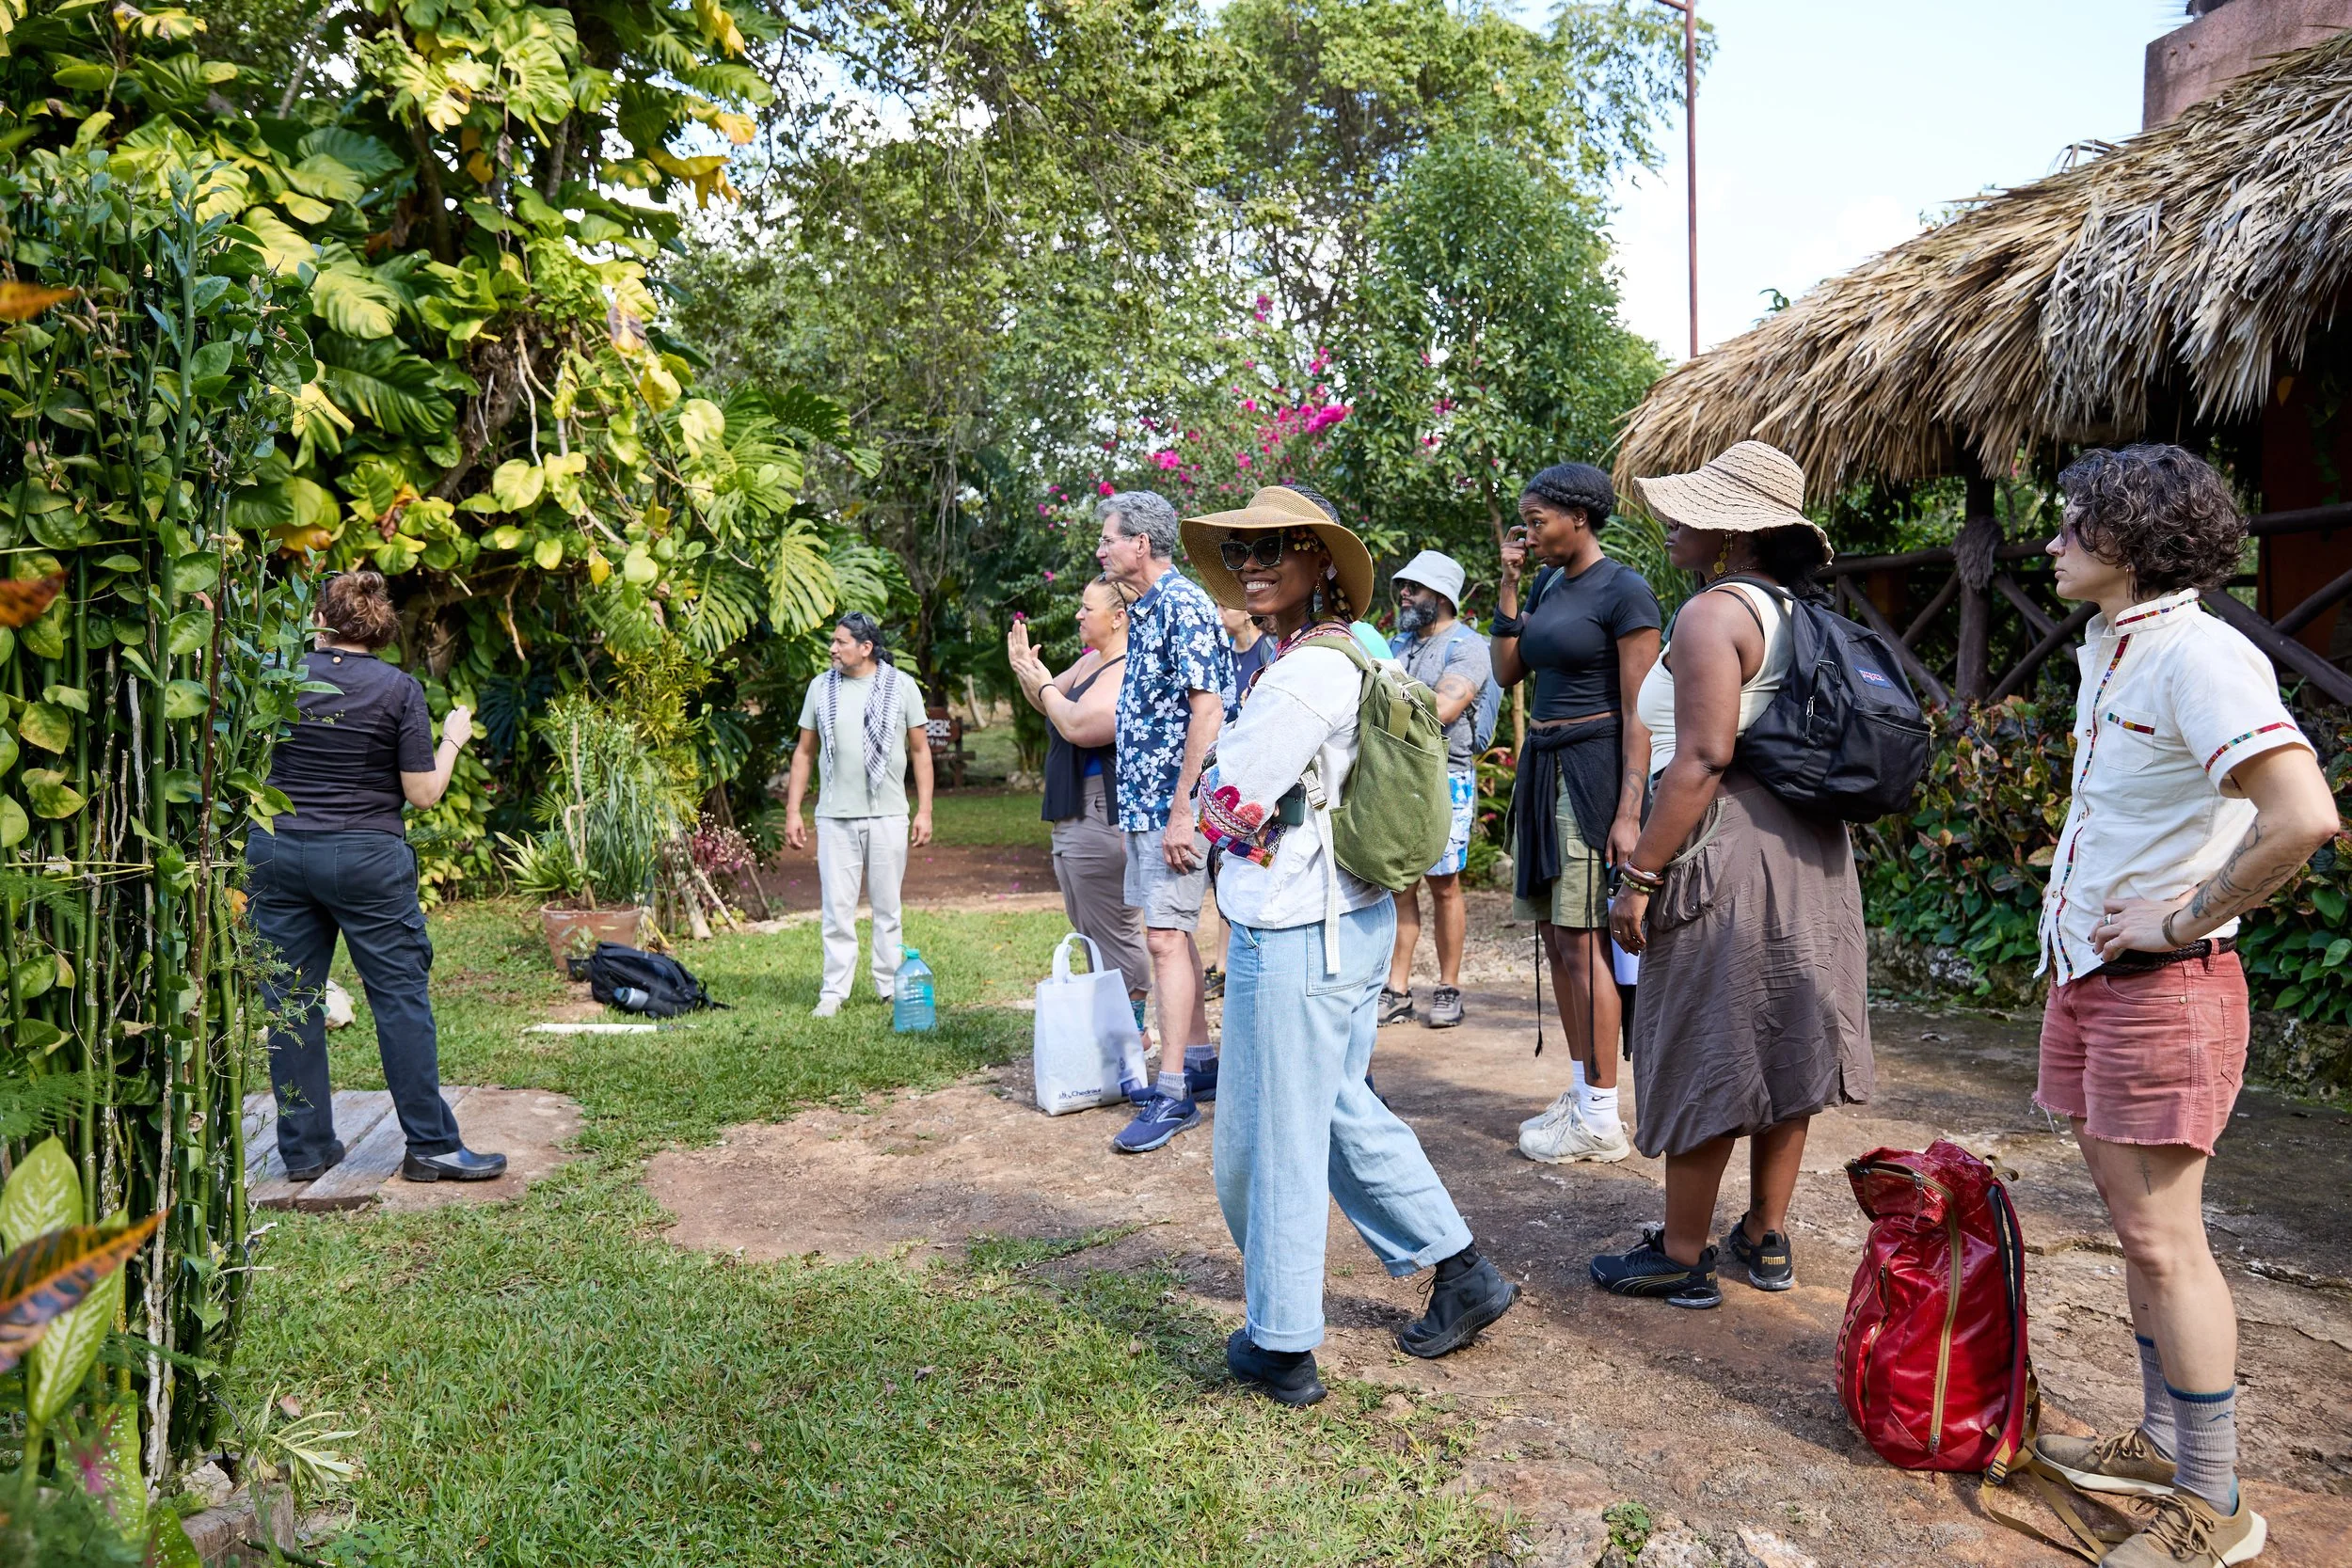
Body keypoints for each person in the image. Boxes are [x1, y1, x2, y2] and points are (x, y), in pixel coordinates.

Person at [2024, 446, 2334, 1568]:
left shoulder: (2200, 656)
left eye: (2071, 525)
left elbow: (2300, 813)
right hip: (2096, 981)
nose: (2050, 541)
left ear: (2132, 539)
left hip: (2166, 986)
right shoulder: (2115, 648)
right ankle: (2164, 1442)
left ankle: (2214, 1500)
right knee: (2137, 1233)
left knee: (2167, 1239)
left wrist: (2183, 915)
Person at [1184, 484, 1517, 1405]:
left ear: (1322, 563)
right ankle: (1463, 1269)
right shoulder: (1357, 649)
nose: (1254, 564)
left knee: (1268, 1144)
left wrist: (1213, 763)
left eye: (1279, 548)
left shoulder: (1304, 674)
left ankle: (1281, 1342)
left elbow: (1226, 802)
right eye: (1245, 552)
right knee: (1330, 1113)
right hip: (1341, 919)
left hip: (1297, 929)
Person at [1595, 440, 1874, 1308]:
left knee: (1706, 1039)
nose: (1673, 519)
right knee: (1788, 1034)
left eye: (1690, 507)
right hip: (1812, 851)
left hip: (1730, 845)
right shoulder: (1798, 610)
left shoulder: (1713, 612)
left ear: (1733, 528)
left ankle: (1682, 1252)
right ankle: (1764, 1234)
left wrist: (1640, 875)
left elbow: (1705, 755)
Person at [249, 570, 505, 1184]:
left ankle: (305, 1150)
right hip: (364, 857)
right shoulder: (397, 688)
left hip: (278, 850)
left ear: (319, 620)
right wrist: (452, 740)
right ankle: (433, 1146)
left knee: (292, 1003)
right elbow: (422, 793)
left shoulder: (276, 680)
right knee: (397, 997)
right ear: (382, 626)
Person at [1489, 465, 1661, 1164]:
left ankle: (1601, 1115)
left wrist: (1629, 812)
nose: (1528, 533)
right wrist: (1507, 585)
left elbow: (1643, 712)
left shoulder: (1626, 591)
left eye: (1537, 521)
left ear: (1579, 517)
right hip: (1546, 767)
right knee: (1560, 940)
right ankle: (1581, 1090)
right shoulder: (1547, 584)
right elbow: (1505, 672)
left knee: (1584, 939)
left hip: (1593, 773)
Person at [1096, 491, 1232, 1153]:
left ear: (1141, 544)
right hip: (1148, 807)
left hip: (1173, 809)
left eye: (1109, 538)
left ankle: (1173, 1091)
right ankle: (1201, 1061)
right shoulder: (1146, 611)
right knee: (1174, 935)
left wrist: (1184, 810)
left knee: (1163, 940)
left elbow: (1210, 710)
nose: (1100, 549)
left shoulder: (1181, 604)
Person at [1007, 577, 1152, 1025]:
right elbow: (1047, 703)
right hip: (1075, 810)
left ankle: (1133, 1029)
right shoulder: (1092, 663)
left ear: (1119, 617)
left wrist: (1044, 684)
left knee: (1114, 928)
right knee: (1089, 926)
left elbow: (1078, 725)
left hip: (1101, 812)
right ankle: (1116, 1029)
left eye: (1087, 608)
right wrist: (1027, 674)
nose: (1078, 615)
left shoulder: (1126, 668)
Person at [784, 613, 934, 1019]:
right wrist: (794, 810)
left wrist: (925, 810)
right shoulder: (820, 688)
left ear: (865, 648)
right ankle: (834, 991)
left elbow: (920, 751)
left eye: (840, 642)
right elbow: (804, 752)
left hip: (888, 815)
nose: (832, 648)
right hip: (835, 816)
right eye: (833, 642)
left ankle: (888, 986)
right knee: (837, 909)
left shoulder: (901, 687)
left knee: (888, 907)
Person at [1379, 549, 1494, 1029]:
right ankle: (1398, 989)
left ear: (1442, 597)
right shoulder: (1396, 643)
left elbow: (1443, 711)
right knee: (1398, 885)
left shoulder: (1468, 647)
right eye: (1404, 585)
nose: (1405, 593)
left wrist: (1384, 701)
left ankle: (1448, 986)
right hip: (1396, 776)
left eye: (1416, 587)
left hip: (1446, 777)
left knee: (1444, 886)